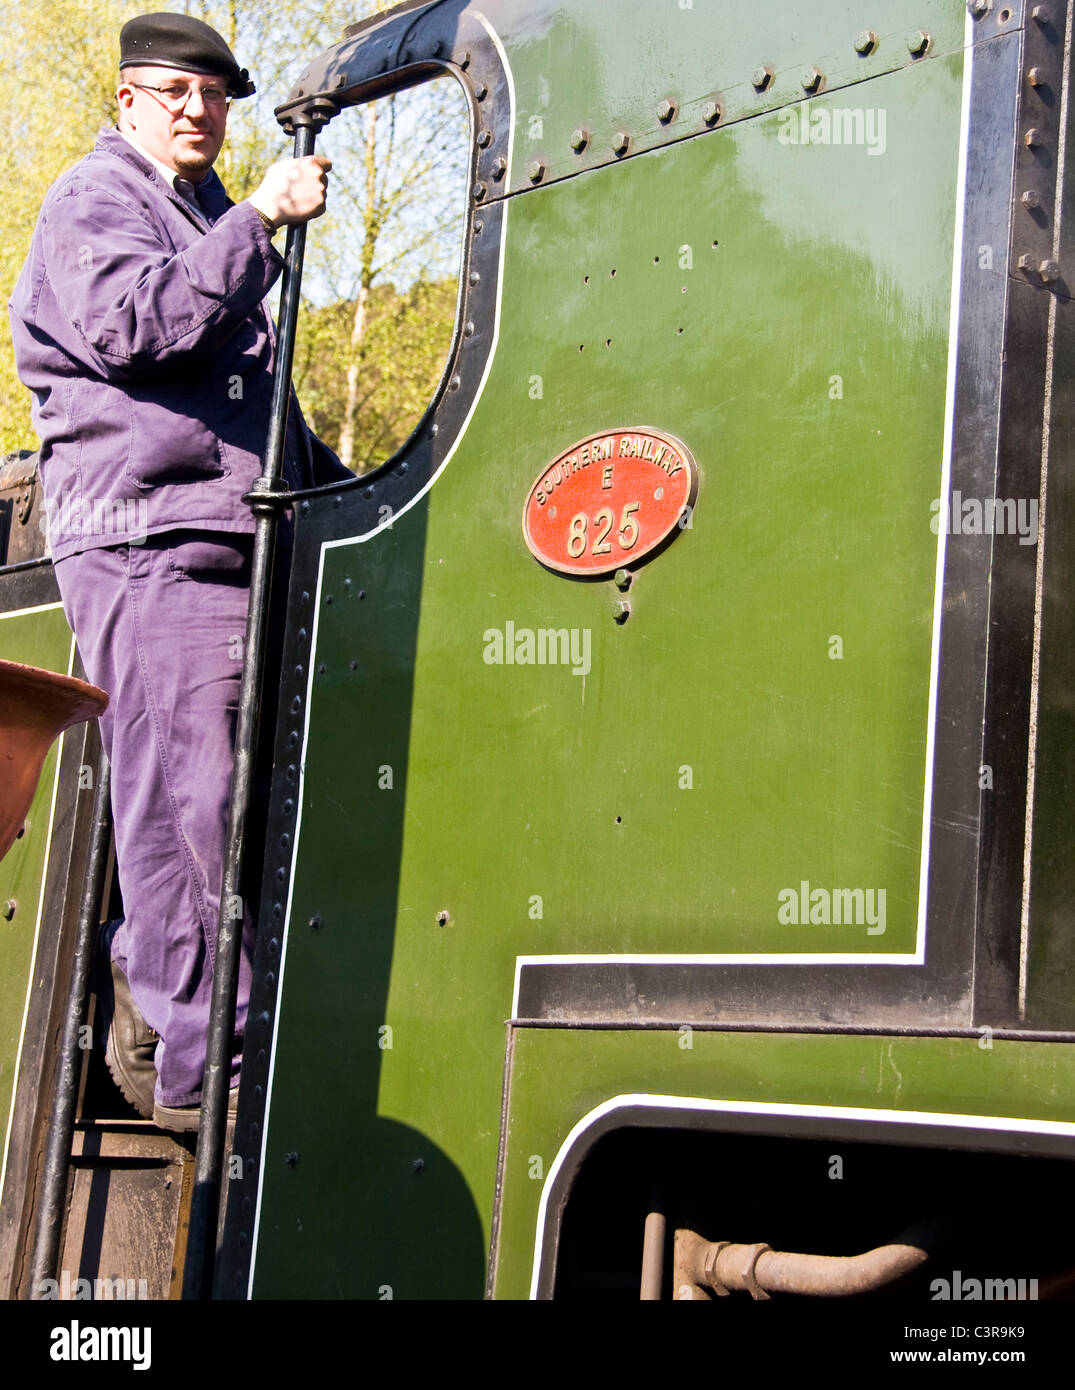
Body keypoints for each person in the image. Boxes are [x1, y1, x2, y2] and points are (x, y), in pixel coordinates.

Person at [9, 13, 347, 1130]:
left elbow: (259, 411)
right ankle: (209, 1074)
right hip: (149, 544)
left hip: (222, 539)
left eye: (216, 96)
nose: (201, 110)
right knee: (188, 805)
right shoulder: (93, 199)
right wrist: (259, 219)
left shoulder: (199, 214)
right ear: (128, 102)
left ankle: (169, 1017)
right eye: (176, 92)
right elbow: (138, 326)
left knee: (230, 807)